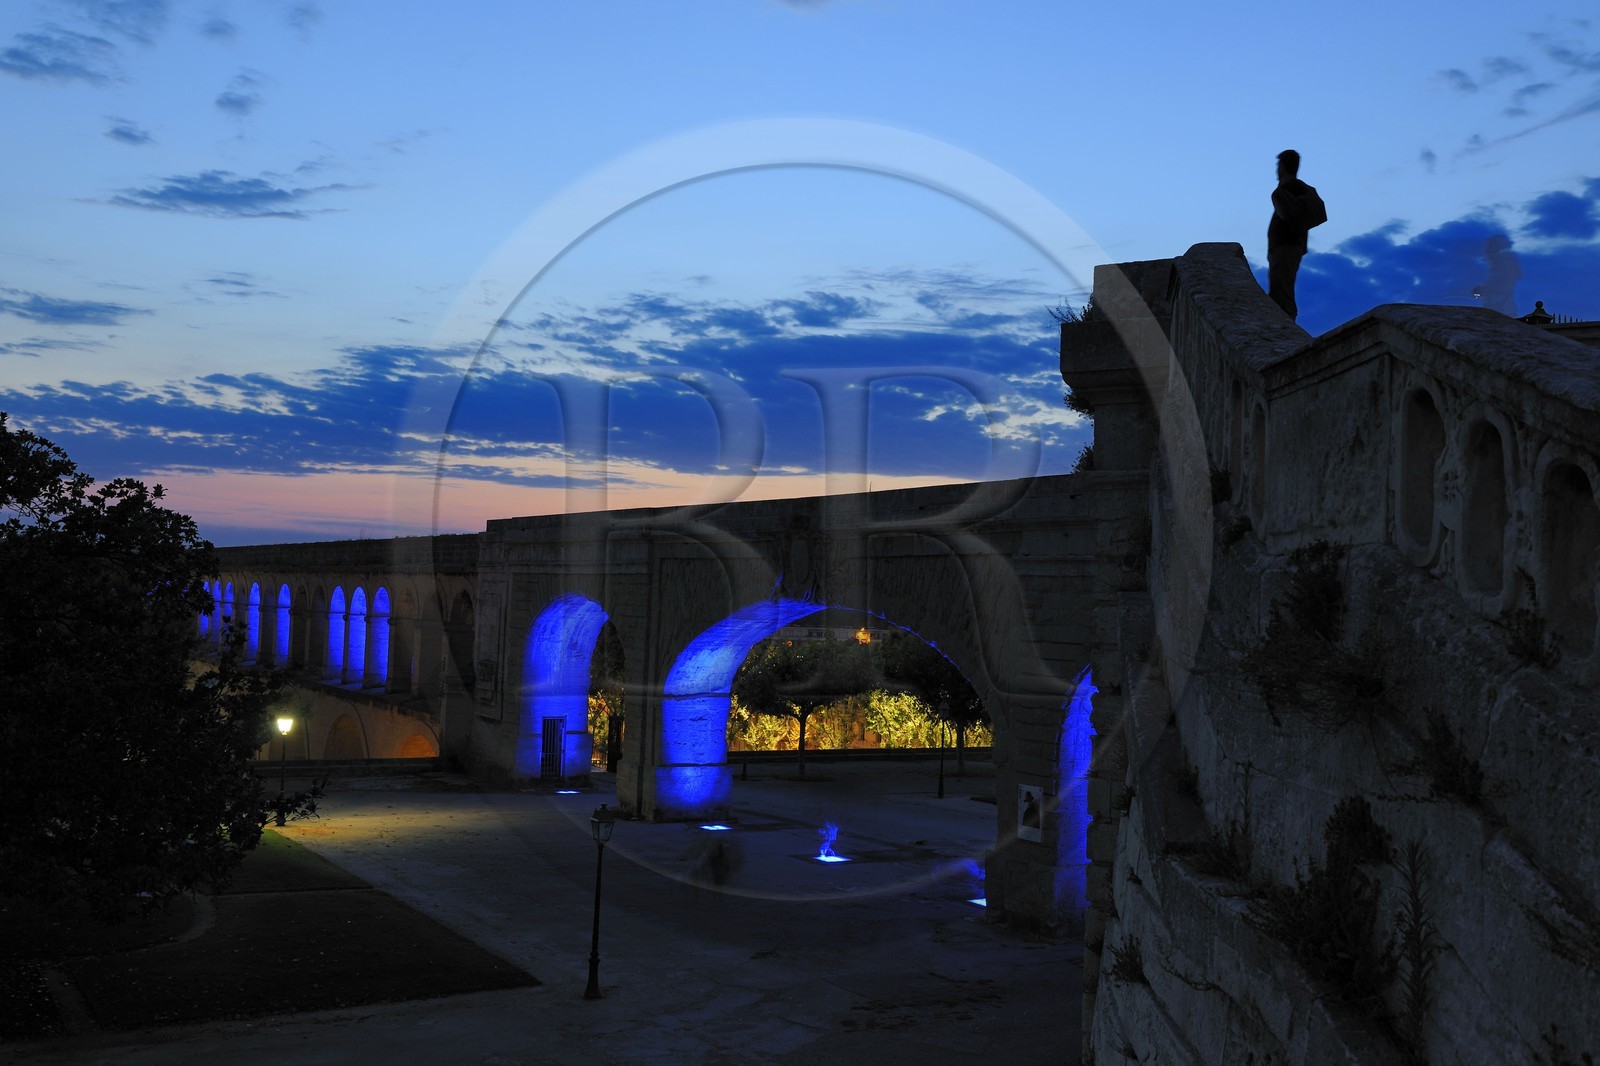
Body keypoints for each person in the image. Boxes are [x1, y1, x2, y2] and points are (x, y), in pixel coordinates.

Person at [1267, 149, 1325, 321]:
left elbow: (1286, 215)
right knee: (1284, 289)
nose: (1276, 170)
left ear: (1283, 167)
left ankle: (1284, 327)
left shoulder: (1284, 190)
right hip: (1293, 247)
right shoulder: (1301, 188)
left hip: (1284, 247)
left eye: (1278, 165)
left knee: (1281, 293)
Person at [1472, 234, 1521, 315]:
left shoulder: (1505, 265)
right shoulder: (1501, 265)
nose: (1487, 253)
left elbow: (1503, 287)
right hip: (1499, 309)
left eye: (1490, 249)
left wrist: (1482, 290)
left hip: (1502, 311)